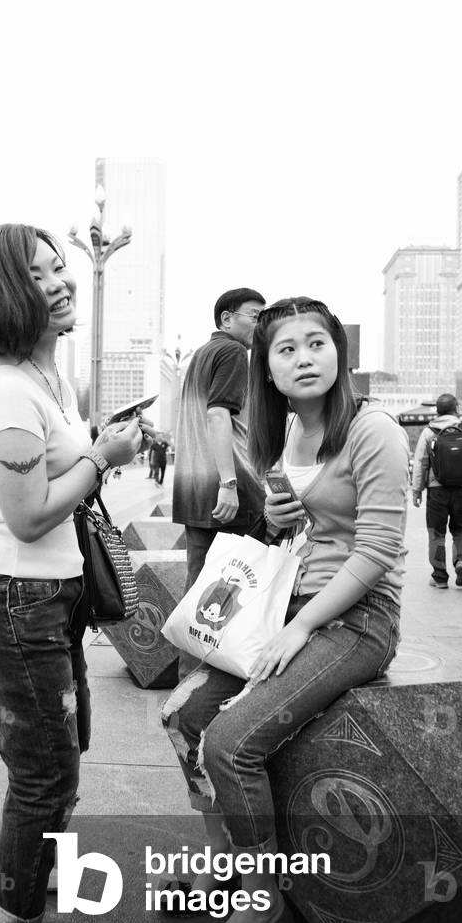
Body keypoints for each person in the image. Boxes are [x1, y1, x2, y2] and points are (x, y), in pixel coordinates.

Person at [162, 297, 408, 923]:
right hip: (286, 604)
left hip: (357, 618)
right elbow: (304, 531)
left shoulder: (373, 430)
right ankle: (225, 870)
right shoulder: (287, 433)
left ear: (339, 353)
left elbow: (376, 550)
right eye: (286, 349)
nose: (304, 358)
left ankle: (259, 907)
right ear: (265, 369)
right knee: (184, 716)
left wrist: (299, 628)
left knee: (231, 742)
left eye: (317, 343)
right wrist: (276, 519)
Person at [0, 224, 153, 923]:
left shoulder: (46, 380)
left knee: (54, 755)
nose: (61, 282)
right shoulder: (6, 389)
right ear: (6, 294)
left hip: (45, 597)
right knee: (47, 772)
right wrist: (103, 457)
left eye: (59, 267)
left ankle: (20, 853)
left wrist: (97, 446)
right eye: (38, 275)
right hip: (11, 600)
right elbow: (30, 515)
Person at [172, 288, 266, 676]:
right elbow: (217, 415)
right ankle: (223, 683)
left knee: (199, 588)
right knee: (241, 589)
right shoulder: (233, 352)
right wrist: (229, 483)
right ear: (227, 319)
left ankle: (187, 684)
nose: (260, 324)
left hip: (193, 490)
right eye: (254, 316)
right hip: (229, 488)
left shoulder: (201, 355)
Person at [411, 394, 462, 588]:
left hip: (437, 490)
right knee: (461, 529)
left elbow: (420, 463)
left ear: (437, 411)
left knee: (436, 532)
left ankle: (440, 576)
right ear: (457, 409)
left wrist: (417, 490)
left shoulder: (429, 432)